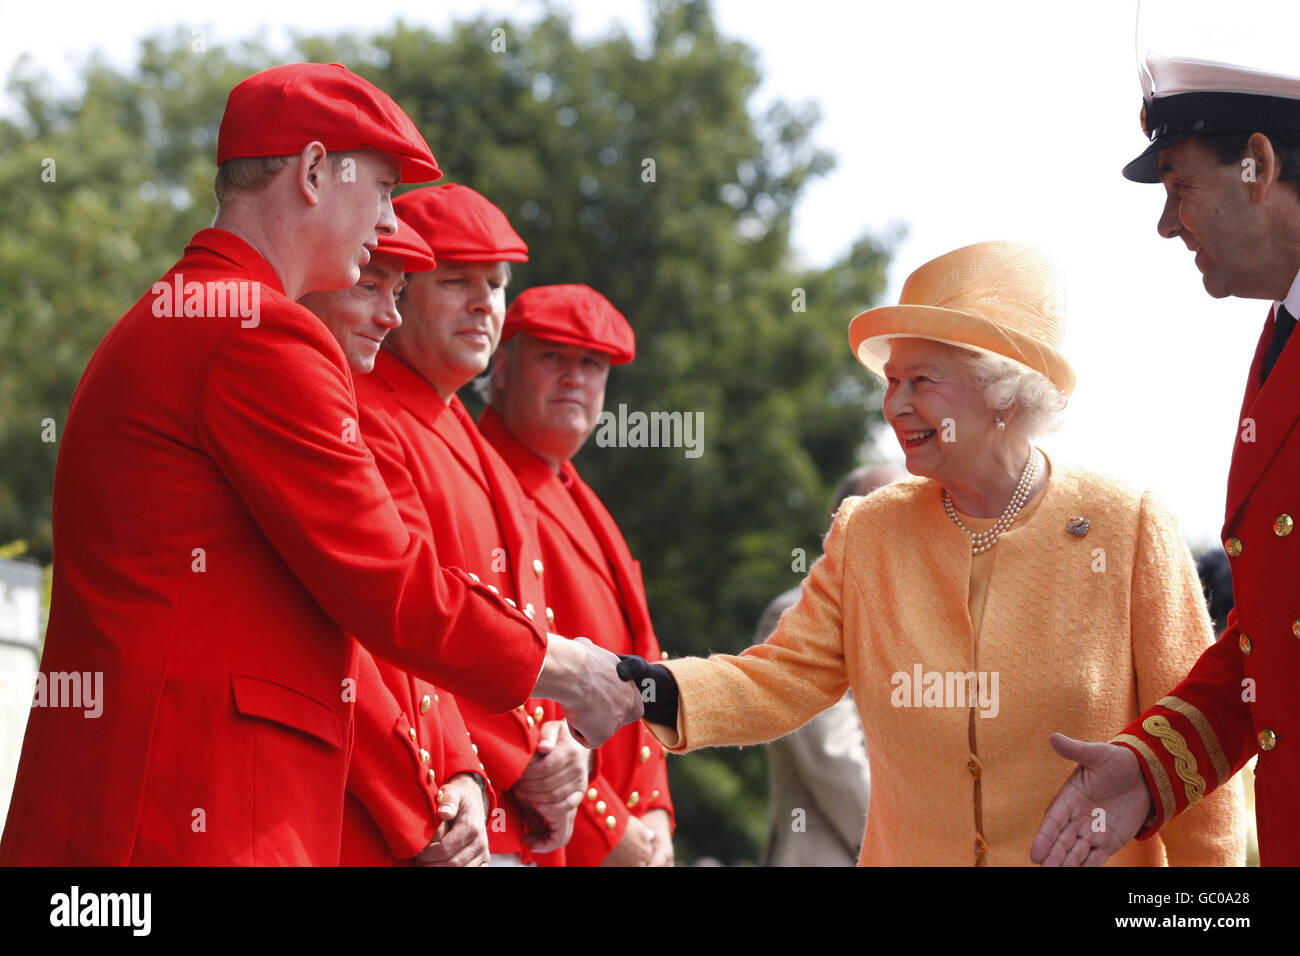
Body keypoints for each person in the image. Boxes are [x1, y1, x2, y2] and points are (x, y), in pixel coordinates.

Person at [0, 64, 639, 866]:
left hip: (157, 807)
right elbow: (387, 581)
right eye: (379, 189)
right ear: (310, 172)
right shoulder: (259, 328)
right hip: (195, 811)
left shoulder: (194, 309)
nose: (388, 217)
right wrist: (570, 669)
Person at [617, 241, 1245, 865]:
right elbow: (779, 678)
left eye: (920, 380)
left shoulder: (1127, 525)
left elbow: (1194, 745)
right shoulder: (869, 530)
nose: (895, 405)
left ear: (1004, 392)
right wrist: (642, 689)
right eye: (891, 382)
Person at [1032, 53, 1300, 867]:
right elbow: (1270, 635)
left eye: (1177, 186)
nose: (1166, 223)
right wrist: (1154, 765)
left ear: (1258, 165)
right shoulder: (1281, 334)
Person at [350, 186, 598, 866]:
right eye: (456, 281)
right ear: (399, 292)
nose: (485, 303)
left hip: (502, 813)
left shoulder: (460, 425)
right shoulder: (367, 410)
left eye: (495, 284)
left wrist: (566, 746)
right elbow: (395, 622)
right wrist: (516, 757)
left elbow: (523, 629)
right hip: (433, 809)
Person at [299, 217, 493, 866]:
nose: (389, 314)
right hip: (353, 809)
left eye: (495, 284)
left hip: (440, 802)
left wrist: (460, 771)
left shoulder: (451, 424)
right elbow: (370, 622)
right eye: (370, 285)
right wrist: (418, 803)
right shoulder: (350, 406)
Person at [478, 284, 677, 866]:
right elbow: (508, 673)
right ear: (504, 365)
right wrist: (611, 832)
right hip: (543, 837)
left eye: (592, 364)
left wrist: (656, 813)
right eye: (552, 357)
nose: (574, 379)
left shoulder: (578, 494)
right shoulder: (481, 474)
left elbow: (644, 663)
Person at [760, 465, 903, 868]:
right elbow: (832, 756)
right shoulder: (795, 612)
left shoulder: (903, 619)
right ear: (839, 524)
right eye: (881, 509)